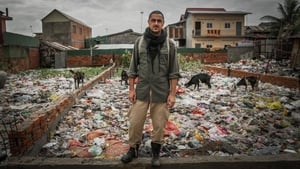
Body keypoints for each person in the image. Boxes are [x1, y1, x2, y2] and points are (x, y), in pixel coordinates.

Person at [121, 10, 180, 167]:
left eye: (159, 21)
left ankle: (155, 153)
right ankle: (133, 149)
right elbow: (132, 69)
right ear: (148, 22)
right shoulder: (139, 42)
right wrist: (131, 89)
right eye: (153, 20)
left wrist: (172, 94)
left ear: (163, 23)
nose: (156, 23)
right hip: (142, 91)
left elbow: (174, 72)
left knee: (159, 125)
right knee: (135, 122)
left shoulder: (170, 44)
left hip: (161, 91)